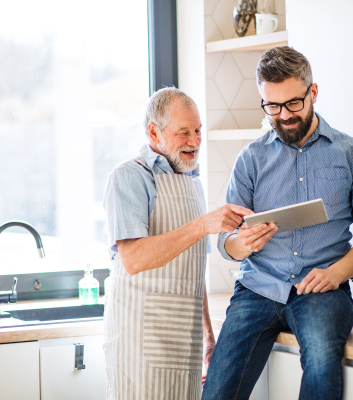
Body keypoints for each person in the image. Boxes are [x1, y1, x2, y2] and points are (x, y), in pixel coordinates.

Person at [202, 46, 353, 400]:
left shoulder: (351, 155)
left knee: (321, 364)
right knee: (218, 389)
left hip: (321, 290)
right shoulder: (251, 159)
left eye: (293, 104)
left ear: (313, 93)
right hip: (258, 288)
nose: (283, 115)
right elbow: (226, 241)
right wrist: (243, 243)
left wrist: (336, 274)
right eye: (272, 106)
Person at [102, 87, 251, 400]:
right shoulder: (129, 177)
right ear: (153, 132)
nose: (195, 142)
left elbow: (192, 268)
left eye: (197, 131)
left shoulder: (191, 181)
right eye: (184, 132)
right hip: (139, 344)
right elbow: (134, 259)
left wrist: (208, 337)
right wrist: (203, 224)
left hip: (184, 341)